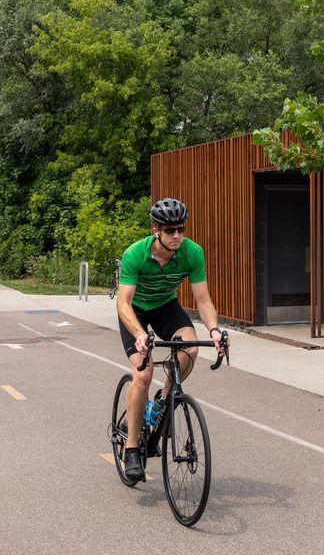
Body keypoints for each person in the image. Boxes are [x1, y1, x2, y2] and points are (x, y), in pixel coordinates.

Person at [117, 198, 224, 480]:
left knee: (190, 349)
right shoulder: (135, 254)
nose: (177, 235)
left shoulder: (192, 253)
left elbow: (202, 299)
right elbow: (124, 302)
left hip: (166, 306)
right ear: (156, 230)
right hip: (135, 310)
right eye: (170, 230)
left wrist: (214, 330)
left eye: (181, 229)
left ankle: (164, 399)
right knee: (143, 373)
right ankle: (131, 448)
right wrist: (140, 334)